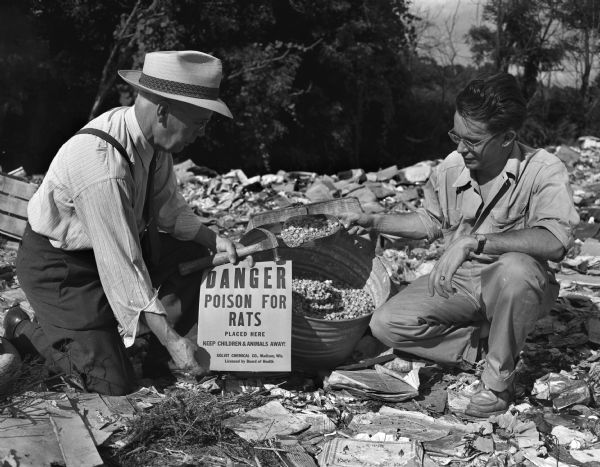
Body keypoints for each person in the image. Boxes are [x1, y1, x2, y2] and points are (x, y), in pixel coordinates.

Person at [5, 50, 247, 395]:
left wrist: (213, 240)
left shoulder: (154, 145)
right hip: (62, 271)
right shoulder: (102, 165)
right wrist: (173, 340)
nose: (201, 134)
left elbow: (170, 210)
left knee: (193, 254)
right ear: (163, 111)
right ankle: (25, 332)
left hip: (108, 258)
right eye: (198, 123)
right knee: (111, 385)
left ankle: (151, 346)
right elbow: (121, 265)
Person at [341, 73, 579, 417]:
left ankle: (497, 384)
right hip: (461, 282)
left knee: (516, 269)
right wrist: (375, 220)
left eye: (473, 140)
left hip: (515, 286)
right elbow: (431, 221)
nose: (460, 148)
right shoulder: (453, 167)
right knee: (386, 323)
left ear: (507, 137)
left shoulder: (543, 170)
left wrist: (475, 242)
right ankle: (481, 346)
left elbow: (555, 242)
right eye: (456, 135)